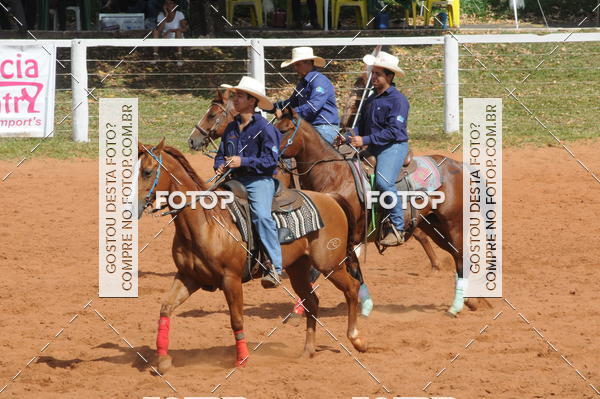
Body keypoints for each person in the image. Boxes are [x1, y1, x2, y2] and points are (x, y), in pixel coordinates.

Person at [214, 76, 283, 289]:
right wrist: (218, 165)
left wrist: (242, 161)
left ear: (252, 101)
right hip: (233, 181)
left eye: (240, 96)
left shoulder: (265, 128)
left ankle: (276, 266)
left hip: (259, 180)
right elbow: (220, 154)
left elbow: (271, 161)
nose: (235, 100)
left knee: (262, 216)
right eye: (235, 96)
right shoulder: (231, 128)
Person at [341, 51, 409, 246]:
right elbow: (360, 126)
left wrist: (365, 140)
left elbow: (394, 132)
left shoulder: (398, 100)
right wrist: (348, 137)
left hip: (393, 146)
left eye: (378, 74)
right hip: (373, 145)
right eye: (373, 73)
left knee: (383, 182)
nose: (374, 77)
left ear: (389, 76)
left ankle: (397, 227)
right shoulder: (371, 99)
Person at [270, 47, 340, 145]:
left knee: (289, 146)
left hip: (323, 126)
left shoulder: (319, 81)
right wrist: (271, 106)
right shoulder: (304, 83)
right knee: (281, 143)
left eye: (298, 64)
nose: (295, 68)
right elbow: (292, 102)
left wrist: (286, 113)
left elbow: (313, 107)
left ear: (308, 63)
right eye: (294, 65)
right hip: (309, 126)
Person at [151, 0, 188, 66]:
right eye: (166, 3)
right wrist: (166, 14)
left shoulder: (179, 14)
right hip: (165, 36)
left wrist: (171, 30)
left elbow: (185, 29)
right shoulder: (161, 15)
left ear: (174, 4)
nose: (169, 5)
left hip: (177, 36)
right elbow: (159, 30)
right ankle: (155, 56)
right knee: (155, 32)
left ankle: (179, 58)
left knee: (178, 32)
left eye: (171, 3)